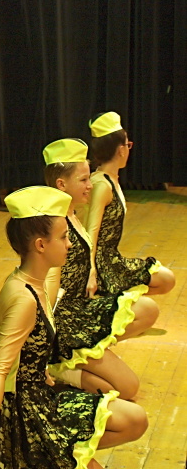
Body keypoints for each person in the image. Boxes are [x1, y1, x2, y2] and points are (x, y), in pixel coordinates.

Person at [0, 186, 148, 469]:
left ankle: (58, 453)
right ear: (41, 245)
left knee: (135, 419)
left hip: (40, 396)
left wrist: (38, 367)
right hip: (24, 413)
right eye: (64, 237)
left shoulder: (36, 283)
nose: (70, 244)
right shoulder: (23, 298)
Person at [43, 138, 159, 399]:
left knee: (148, 309)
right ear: (61, 184)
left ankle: (86, 357)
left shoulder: (72, 213)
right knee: (127, 388)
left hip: (80, 309)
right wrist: (42, 347)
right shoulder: (55, 225)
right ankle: (61, 367)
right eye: (83, 180)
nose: (90, 184)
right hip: (65, 324)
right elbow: (47, 291)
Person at [85, 112, 175, 296]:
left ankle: (120, 299)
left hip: (112, 259)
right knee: (162, 283)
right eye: (128, 145)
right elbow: (91, 232)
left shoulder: (109, 179)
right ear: (121, 150)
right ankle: (114, 299)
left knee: (167, 279)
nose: (128, 149)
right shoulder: (102, 184)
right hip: (102, 265)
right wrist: (91, 271)